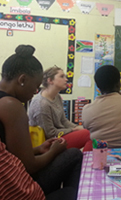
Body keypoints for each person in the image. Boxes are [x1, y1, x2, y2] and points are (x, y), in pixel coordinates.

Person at [0, 45, 82, 199]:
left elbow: (11, 154)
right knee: (74, 155)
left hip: (15, 174)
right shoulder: (12, 106)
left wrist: (38, 149)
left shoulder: (55, 98)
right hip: (19, 183)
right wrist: (53, 151)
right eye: (35, 87)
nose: (35, 92)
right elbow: (28, 166)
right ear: (22, 79)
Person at [28, 65, 92, 151]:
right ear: (50, 80)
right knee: (88, 134)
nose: (66, 79)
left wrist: (77, 127)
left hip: (59, 136)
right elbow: (50, 134)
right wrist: (73, 130)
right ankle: (87, 163)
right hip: (48, 143)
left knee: (89, 131)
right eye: (62, 76)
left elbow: (63, 120)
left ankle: (86, 161)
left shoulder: (57, 96)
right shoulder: (41, 104)